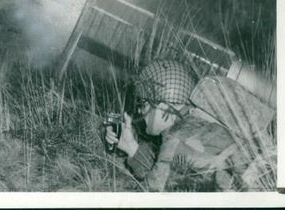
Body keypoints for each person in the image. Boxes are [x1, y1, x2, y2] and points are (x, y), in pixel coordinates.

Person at [106, 59, 251, 191]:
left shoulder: (176, 139)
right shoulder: (199, 123)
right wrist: (130, 147)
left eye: (143, 104)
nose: (139, 110)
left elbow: (150, 195)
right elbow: (167, 177)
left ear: (163, 105)